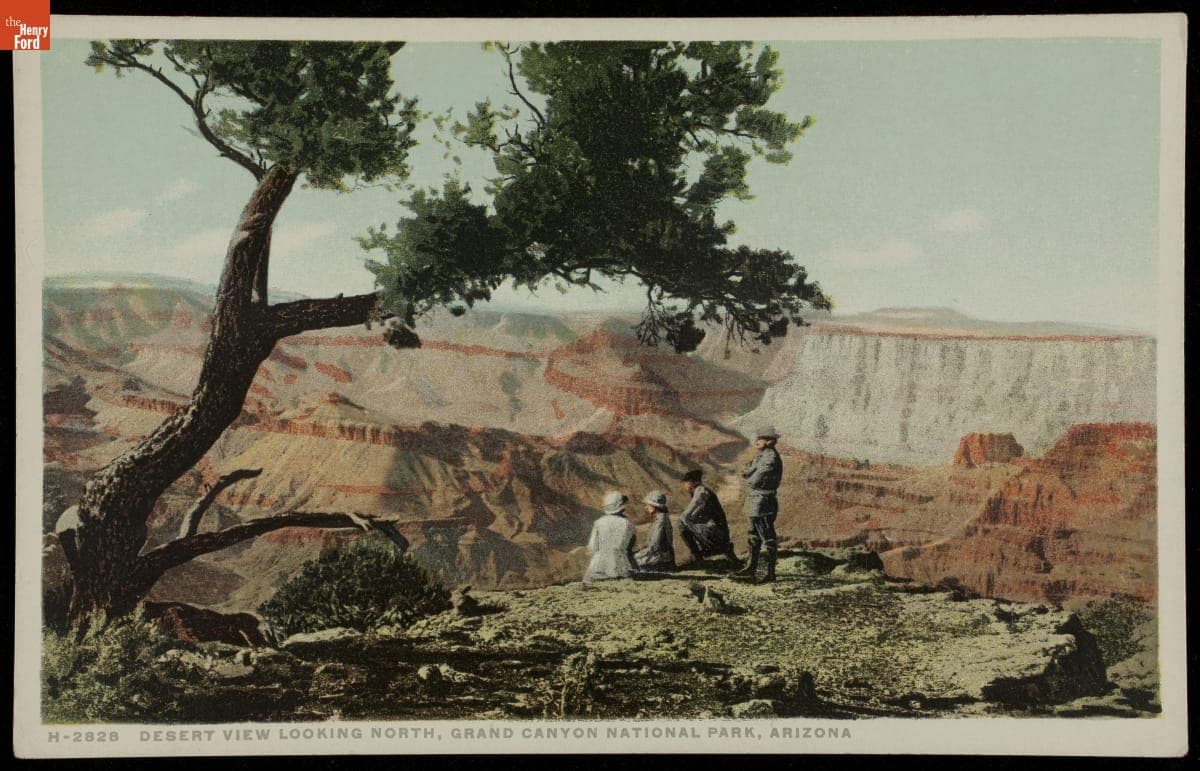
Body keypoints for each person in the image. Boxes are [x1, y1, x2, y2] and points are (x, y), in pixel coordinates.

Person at [734, 426, 783, 583]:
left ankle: (770, 573)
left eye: (760, 438)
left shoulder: (770, 458)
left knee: (767, 537)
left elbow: (754, 479)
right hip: (756, 500)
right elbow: (747, 471)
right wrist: (749, 474)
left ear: (769, 441)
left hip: (763, 502)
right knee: (753, 535)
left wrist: (749, 476)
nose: (757, 441)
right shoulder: (761, 456)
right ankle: (751, 568)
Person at [677, 469, 740, 569]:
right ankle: (701, 554)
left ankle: (698, 557)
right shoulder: (701, 491)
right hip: (716, 530)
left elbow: (687, 515)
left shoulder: (701, 493)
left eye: (686, 483)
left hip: (717, 533)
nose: (684, 486)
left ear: (692, 483)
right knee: (685, 522)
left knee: (681, 523)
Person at [582, 491, 637, 587]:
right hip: (620, 566)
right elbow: (630, 548)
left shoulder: (598, 523)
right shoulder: (628, 524)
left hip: (597, 567)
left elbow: (592, 547)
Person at [633, 491, 676, 572]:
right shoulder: (662, 518)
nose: (646, 507)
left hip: (661, 558)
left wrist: (635, 555)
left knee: (630, 562)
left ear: (654, 506)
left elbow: (654, 547)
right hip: (663, 556)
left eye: (648, 504)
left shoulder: (660, 521)